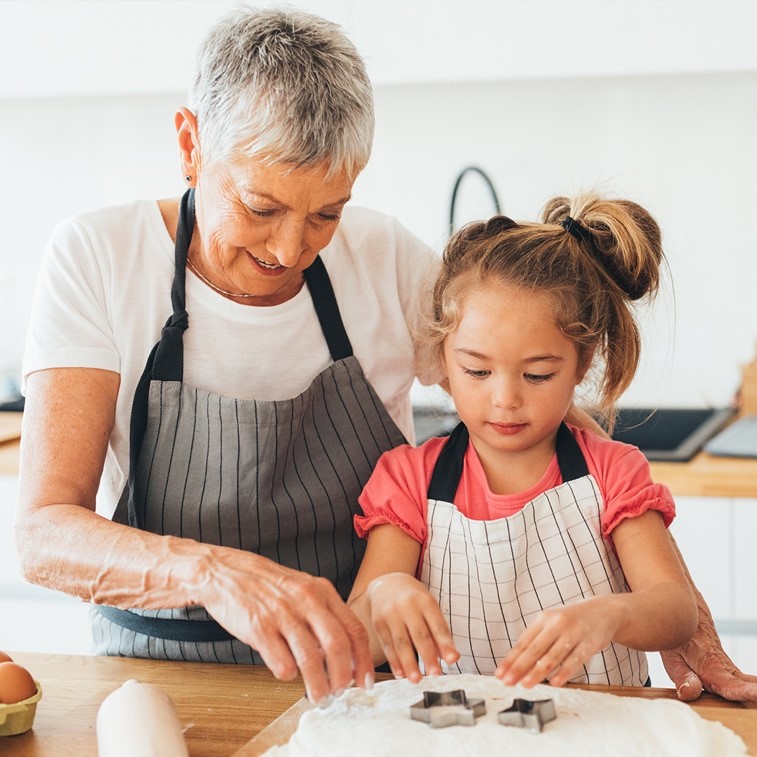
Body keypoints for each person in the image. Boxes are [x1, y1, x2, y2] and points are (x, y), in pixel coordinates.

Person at [12, 6, 757, 705]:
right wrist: (214, 572)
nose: (288, 249)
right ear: (189, 142)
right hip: (156, 679)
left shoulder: (384, 258)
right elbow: (45, 531)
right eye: (260, 207)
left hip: (355, 674)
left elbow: (539, 402)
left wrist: (674, 611)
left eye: (325, 213)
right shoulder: (98, 257)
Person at [347, 195, 701, 688]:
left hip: (601, 728)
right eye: (477, 370)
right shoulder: (408, 479)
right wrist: (384, 593)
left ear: (582, 362)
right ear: (442, 360)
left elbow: (677, 611)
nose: (506, 398)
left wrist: (610, 615)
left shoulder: (612, 471)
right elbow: (357, 642)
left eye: (537, 375)